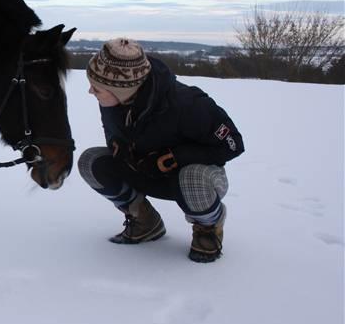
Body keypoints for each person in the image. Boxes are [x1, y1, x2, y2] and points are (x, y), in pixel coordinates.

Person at [78, 38, 244, 262]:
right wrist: (123, 152)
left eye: (97, 88)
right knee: (91, 162)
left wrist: (177, 157)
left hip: (195, 179)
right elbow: (115, 137)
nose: (91, 91)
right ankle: (145, 221)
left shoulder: (188, 103)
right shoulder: (112, 102)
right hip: (147, 171)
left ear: (123, 89)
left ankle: (209, 226)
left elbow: (233, 144)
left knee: (191, 179)